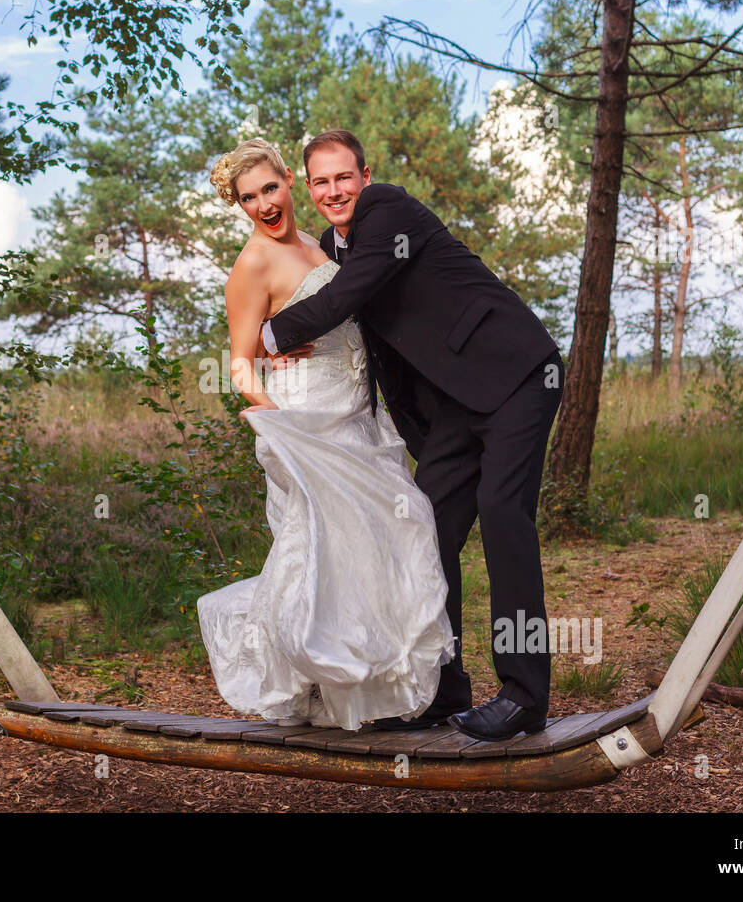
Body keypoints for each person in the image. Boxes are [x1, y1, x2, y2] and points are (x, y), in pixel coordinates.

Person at [262, 130, 564, 741]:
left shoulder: (388, 211)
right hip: (455, 406)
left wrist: (264, 338)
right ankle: (440, 689)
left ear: (365, 177)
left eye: (343, 177)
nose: (333, 191)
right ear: (310, 188)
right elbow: (380, 349)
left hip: (516, 374)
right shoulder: (331, 245)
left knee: (503, 514)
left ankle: (525, 695)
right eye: (320, 181)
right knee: (424, 531)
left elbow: (350, 297)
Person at [196, 139, 456, 732]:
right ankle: (313, 671)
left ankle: (367, 687)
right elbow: (240, 364)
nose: (262, 204)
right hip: (307, 421)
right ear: (238, 206)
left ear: (290, 182)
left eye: (269, 188)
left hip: (358, 415)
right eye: (247, 198)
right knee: (322, 549)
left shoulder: (321, 244)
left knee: (373, 545)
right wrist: (274, 419)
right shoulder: (252, 265)